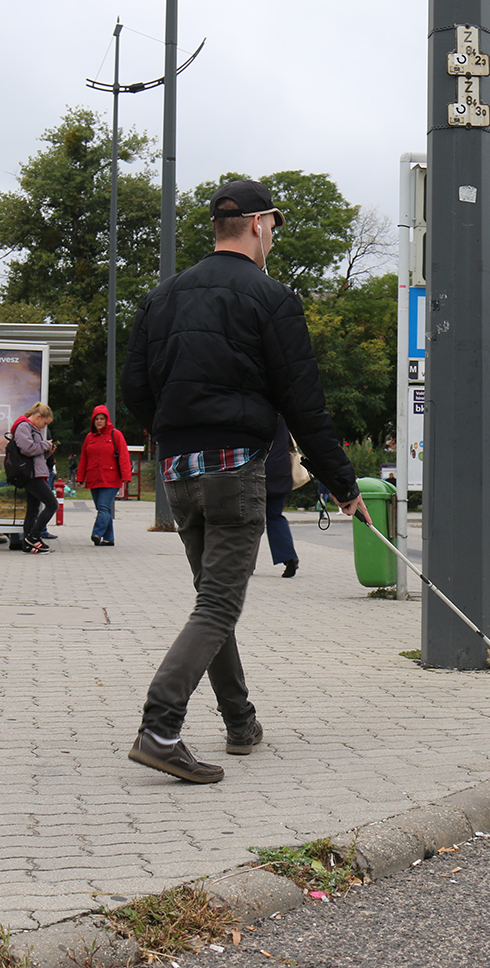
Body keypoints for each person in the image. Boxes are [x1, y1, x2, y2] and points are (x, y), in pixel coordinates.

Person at [121, 178, 368, 784]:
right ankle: (159, 729)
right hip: (235, 469)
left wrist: (172, 433)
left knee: (212, 599)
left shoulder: (160, 298)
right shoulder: (271, 298)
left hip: (178, 471)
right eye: (274, 228)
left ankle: (240, 722)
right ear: (259, 224)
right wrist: (343, 484)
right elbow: (304, 404)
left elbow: (134, 389)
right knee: (217, 603)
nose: (272, 239)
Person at [76, 404, 132, 547]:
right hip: (94, 478)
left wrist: (126, 477)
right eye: (96, 419)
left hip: (111, 478)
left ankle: (97, 533)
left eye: (102, 418)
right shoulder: (89, 437)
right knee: (103, 509)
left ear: (107, 420)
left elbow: (124, 456)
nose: (99, 421)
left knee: (103, 507)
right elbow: (84, 458)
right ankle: (108, 538)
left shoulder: (116, 435)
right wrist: (80, 477)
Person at [13, 403, 58, 553]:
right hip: (31, 475)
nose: (44, 427)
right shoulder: (24, 427)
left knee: (33, 510)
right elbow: (27, 449)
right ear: (38, 417)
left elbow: (36, 455)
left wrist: (48, 452)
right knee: (52, 504)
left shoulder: (31, 428)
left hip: (34, 472)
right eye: (44, 423)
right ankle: (33, 537)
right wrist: (45, 445)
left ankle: (28, 543)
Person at [263, 415, 300, 578]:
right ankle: (288, 556)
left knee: (249, 519)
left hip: (257, 470)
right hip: (280, 470)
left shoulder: (253, 411)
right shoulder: (283, 415)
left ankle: (245, 563)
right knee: (275, 516)